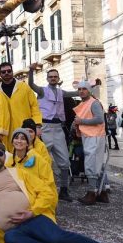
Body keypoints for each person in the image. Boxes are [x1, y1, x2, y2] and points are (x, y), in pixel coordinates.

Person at [0, 141, 123, 243]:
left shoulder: (18, 172)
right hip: (12, 230)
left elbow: (46, 191)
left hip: (33, 218)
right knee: (11, 241)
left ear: (5, 156)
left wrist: (32, 212)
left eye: (0, 154)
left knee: (57, 238)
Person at [27, 65, 75, 201]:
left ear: (58, 78)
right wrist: (31, 71)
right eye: (51, 77)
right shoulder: (42, 91)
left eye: (55, 77)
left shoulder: (61, 92)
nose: (53, 78)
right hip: (45, 127)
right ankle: (38, 189)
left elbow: (75, 93)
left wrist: (90, 88)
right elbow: (31, 84)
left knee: (65, 162)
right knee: (40, 160)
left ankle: (64, 190)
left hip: (59, 128)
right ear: (47, 79)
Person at [0, 62, 42, 148]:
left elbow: (34, 106)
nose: (6, 73)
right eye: (3, 72)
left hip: (24, 129)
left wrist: (37, 125)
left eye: (9, 71)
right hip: (6, 133)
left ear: (12, 71)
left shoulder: (24, 87)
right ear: (0, 74)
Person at [74, 81, 109, 205]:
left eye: (84, 89)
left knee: (91, 164)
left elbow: (99, 119)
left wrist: (80, 121)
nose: (81, 91)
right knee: (97, 163)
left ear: (89, 90)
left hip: (95, 136)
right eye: (79, 89)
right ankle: (102, 193)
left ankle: (91, 193)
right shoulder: (86, 103)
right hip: (90, 135)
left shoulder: (93, 103)